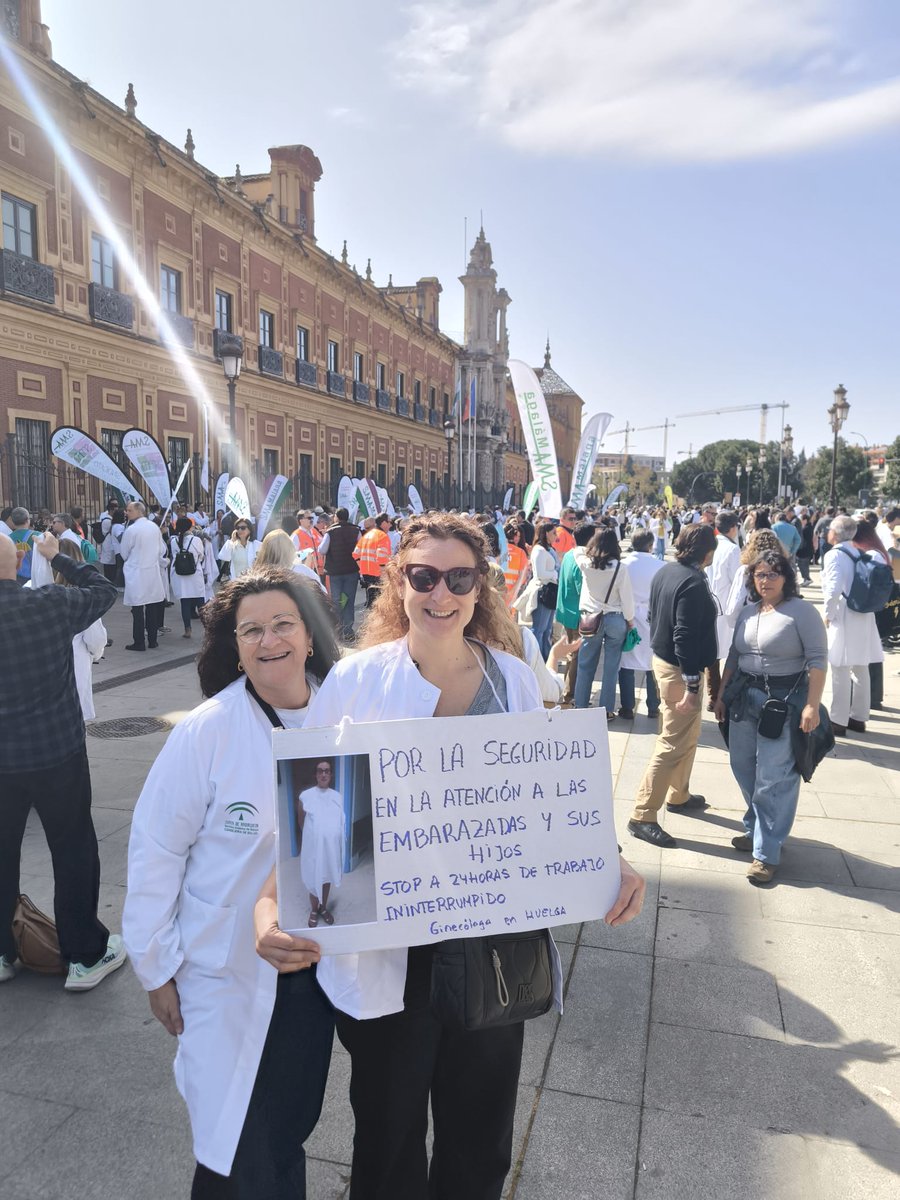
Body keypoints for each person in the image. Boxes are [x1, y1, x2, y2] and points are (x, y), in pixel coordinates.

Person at [254, 512, 645, 1200]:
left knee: (480, 1139)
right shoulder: (354, 683)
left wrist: (605, 858)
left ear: (480, 586)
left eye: (458, 577)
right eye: (424, 577)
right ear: (397, 583)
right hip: (388, 952)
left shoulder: (515, 681)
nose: (441, 594)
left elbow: (546, 797)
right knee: (387, 1136)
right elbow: (304, 814)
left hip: (493, 944)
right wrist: (267, 904)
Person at [123, 569, 341, 1198]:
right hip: (221, 971)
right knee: (232, 1140)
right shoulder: (208, 730)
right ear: (235, 644)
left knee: (287, 1127)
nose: (268, 641)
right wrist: (156, 967)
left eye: (282, 625)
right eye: (251, 630)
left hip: (309, 973)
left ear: (308, 635)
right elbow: (156, 849)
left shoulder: (343, 716)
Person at [0, 531, 123, 990]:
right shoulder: (49, 604)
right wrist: (58, 558)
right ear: (19, 564)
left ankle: (3, 950)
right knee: (72, 848)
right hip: (56, 752)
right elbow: (105, 590)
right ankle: (83, 955)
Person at [714, 550, 827, 885]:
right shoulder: (749, 612)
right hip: (743, 698)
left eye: (773, 574)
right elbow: (735, 655)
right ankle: (758, 828)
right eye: (760, 574)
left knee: (774, 776)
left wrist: (812, 705)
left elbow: (818, 660)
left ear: (786, 578)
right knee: (742, 765)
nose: (765, 580)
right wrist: (720, 695)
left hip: (784, 701)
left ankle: (766, 853)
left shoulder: (802, 612)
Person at [627, 523, 718, 848]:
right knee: (671, 742)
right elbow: (683, 634)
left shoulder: (669, 571)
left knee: (688, 735)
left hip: (667, 662)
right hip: (680, 670)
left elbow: (656, 616)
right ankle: (642, 815)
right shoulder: (691, 582)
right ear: (708, 552)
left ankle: (679, 794)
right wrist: (693, 687)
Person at [821, 515, 884, 736]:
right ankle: (859, 717)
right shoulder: (860, 552)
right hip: (863, 614)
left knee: (839, 667)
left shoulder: (834, 555)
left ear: (835, 533)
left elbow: (833, 587)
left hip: (844, 614)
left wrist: (827, 614)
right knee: (860, 666)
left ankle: (838, 720)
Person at [572, 526, 635, 718]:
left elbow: (577, 549)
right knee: (611, 667)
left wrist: (593, 547)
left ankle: (581, 707)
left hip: (591, 619)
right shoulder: (620, 568)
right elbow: (627, 599)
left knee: (585, 665)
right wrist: (630, 621)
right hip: (615, 618)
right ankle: (606, 710)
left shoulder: (585, 563)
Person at [51, 541, 108, 720]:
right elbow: (95, 640)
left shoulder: (31, 590)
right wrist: (96, 654)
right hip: (74, 667)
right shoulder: (81, 597)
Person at [618, 529, 664, 719]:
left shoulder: (623, 565)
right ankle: (653, 706)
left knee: (627, 660)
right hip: (652, 616)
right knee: (653, 661)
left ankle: (627, 707)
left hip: (628, 614)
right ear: (650, 545)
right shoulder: (660, 566)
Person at [297, 759, 345, 928]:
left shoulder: (337, 797)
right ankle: (313, 909)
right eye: (320, 771)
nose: (324, 774)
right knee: (313, 876)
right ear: (316, 774)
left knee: (326, 877)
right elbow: (301, 821)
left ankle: (323, 908)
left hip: (330, 849)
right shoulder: (306, 796)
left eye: (327, 771)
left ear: (331, 775)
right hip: (313, 848)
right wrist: (314, 838)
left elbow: (339, 821)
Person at [555, 522, 595, 705]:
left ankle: (567, 691)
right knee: (577, 656)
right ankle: (570, 694)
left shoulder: (569, 555)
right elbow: (584, 589)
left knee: (572, 655)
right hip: (578, 613)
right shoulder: (583, 559)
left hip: (566, 610)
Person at [706, 510, 743, 706]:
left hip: (709, 602)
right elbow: (737, 580)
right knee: (730, 654)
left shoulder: (711, 544)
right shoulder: (732, 550)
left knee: (712, 655)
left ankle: (712, 696)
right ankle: (724, 695)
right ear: (733, 528)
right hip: (726, 605)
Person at [120, 500, 167, 651]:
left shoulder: (131, 530)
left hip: (136, 572)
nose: (126, 513)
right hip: (151, 572)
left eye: (129, 510)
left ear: (139, 511)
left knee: (138, 610)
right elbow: (161, 550)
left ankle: (139, 642)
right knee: (152, 607)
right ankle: (153, 640)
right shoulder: (154, 527)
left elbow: (124, 553)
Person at [513, 518, 559, 659]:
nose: (556, 536)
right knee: (539, 629)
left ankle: (545, 658)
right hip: (542, 592)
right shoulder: (539, 550)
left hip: (550, 591)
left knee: (547, 630)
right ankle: (535, 659)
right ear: (545, 533)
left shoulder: (549, 549)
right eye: (553, 533)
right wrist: (555, 574)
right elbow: (540, 574)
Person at [318, 507, 360, 637]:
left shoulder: (330, 532)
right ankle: (348, 630)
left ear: (336, 517)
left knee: (336, 601)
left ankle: (338, 629)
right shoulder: (356, 530)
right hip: (352, 570)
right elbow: (360, 549)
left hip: (335, 571)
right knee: (349, 600)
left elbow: (322, 550)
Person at [169, 515, 206, 638]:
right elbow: (201, 556)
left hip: (181, 576)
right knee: (201, 602)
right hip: (195, 574)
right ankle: (208, 629)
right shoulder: (196, 540)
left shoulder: (174, 541)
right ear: (190, 526)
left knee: (185, 602)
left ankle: (187, 630)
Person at [257, 528, 326, 591]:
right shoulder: (302, 571)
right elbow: (323, 593)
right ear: (290, 548)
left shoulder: (258, 576)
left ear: (265, 550)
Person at [353, 513, 392, 607]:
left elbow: (355, 554)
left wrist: (362, 569)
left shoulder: (367, 535)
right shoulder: (382, 536)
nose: (391, 524)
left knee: (371, 601)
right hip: (378, 575)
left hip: (367, 574)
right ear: (383, 523)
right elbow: (382, 558)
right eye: (389, 522)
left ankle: (370, 620)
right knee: (379, 603)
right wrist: (385, 576)